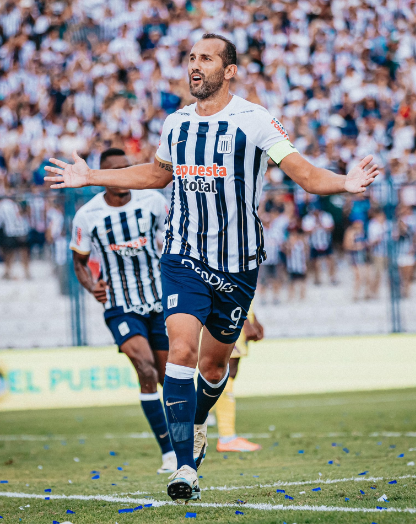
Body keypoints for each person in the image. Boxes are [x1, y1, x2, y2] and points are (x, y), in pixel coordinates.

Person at [45, 34, 379, 502]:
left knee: (215, 365)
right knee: (179, 351)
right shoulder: (176, 124)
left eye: (206, 58)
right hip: (183, 255)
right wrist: (92, 176)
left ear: (231, 69)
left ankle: (196, 420)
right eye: (191, 58)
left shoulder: (255, 121)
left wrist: (345, 182)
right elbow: (156, 175)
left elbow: (303, 174)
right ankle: (185, 468)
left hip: (238, 265)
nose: (195, 66)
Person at [69, 148, 176, 475]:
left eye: (125, 168)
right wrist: (92, 287)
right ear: (104, 176)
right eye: (113, 170)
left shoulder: (154, 202)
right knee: (145, 369)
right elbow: (79, 262)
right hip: (120, 306)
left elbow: (174, 238)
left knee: (167, 378)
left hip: (158, 301)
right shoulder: (88, 215)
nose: (121, 175)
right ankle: (169, 454)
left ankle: (186, 442)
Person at [215, 306, 263, 453]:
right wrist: (246, 323)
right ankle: (227, 437)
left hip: (235, 316)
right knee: (225, 372)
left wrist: (254, 318)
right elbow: (230, 289)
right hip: (231, 317)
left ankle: (195, 422)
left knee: (228, 372)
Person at [301, 206, 336, 285]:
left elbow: (331, 227)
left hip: (325, 241)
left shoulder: (326, 216)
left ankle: (332, 277)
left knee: (330, 260)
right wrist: (314, 227)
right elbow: (305, 230)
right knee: (315, 262)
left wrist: (322, 225)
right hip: (314, 242)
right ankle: (317, 278)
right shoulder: (307, 218)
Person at [343, 220, 370, 301]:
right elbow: (346, 246)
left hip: (364, 256)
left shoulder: (363, 232)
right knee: (358, 277)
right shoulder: (350, 232)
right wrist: (357, 247)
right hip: (354, 256)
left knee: (367, 275)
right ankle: (356, 294)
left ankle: (366, 293)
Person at [285, 228, 309, 301]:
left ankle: (302, 296)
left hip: (300, 266)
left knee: (302, 282)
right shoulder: (288, 245)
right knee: (291, 282)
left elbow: (306, 253)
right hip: (292, 267)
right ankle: (291, 296)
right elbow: (287, 253)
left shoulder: (301, 244)